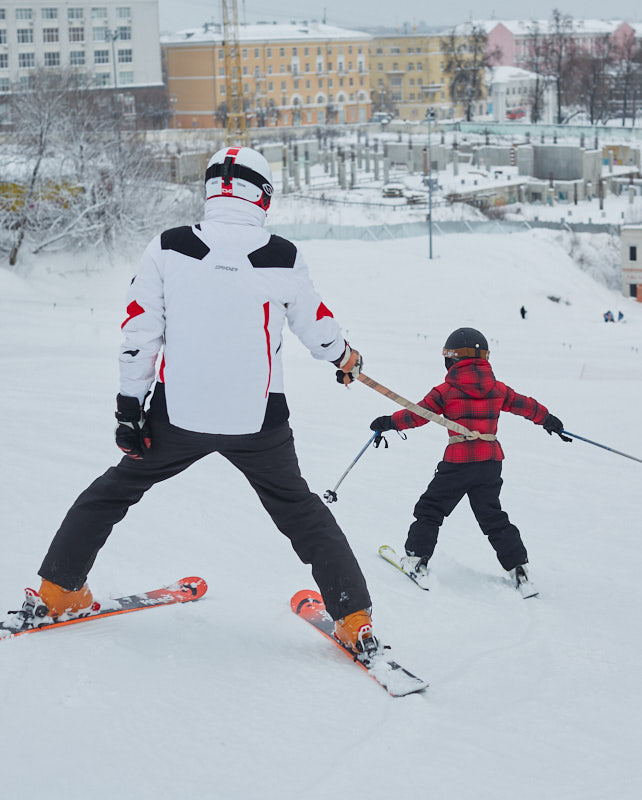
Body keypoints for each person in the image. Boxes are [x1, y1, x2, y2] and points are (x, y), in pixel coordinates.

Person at [33, 146, 378, 654]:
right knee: (301, 512)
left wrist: (130, 408)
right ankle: (353, 617)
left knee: (112, 492)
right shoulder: (281, 253)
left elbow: (138, 331)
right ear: (261, 194)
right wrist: (344, 358)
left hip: (178, 414)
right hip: (258, 418)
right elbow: (317, 328)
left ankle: (59, 590)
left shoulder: (168, 247)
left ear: (212, 189)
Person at [369, 327, 569, 594]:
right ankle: (519, 569)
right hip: (490, 463)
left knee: (431, 509)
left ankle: (416, 560)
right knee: (493, 516)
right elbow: (526, 405)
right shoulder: (498, 389)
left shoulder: (446, 390)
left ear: (451, 359)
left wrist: (389, 423)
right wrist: (548, 420)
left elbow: (417, 415)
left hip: (458, 463)